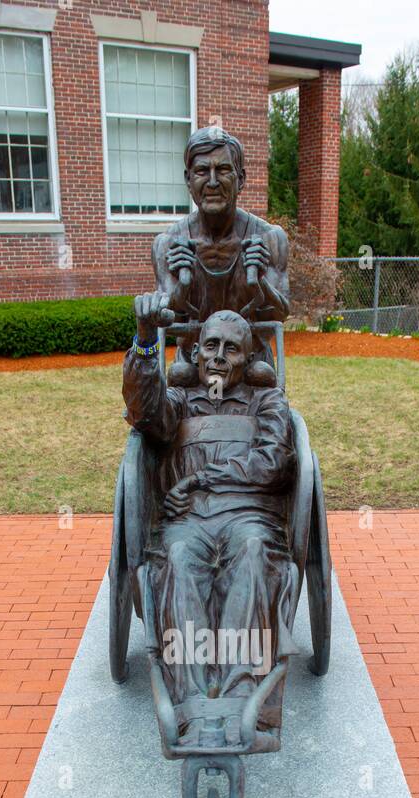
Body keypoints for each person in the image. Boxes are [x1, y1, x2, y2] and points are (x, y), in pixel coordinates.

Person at [123, 291, 300, 748]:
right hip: (188, 523)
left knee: (254, 555)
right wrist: (145, 343)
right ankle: (192, 703)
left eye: (232, 348)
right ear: (195, 352)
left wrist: (201, 479)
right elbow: (144, 414)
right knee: (177, 560)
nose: (218, 357)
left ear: (250, 358)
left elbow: (276, 463)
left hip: (250, 519)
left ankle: (245, 696)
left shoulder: (268, 402)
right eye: (209, 345)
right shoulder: (179, 401)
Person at [152, 126, 288, 367]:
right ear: (188, 180)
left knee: (279, 403)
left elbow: (278, 317)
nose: (212, 182)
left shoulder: (269, 239)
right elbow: (169, 324)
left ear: (241, 179)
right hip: (193, 368)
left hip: (251, 368)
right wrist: (181, 287)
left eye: (223, 170)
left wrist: (259, 283)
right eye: (202, 171)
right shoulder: (168, 244)